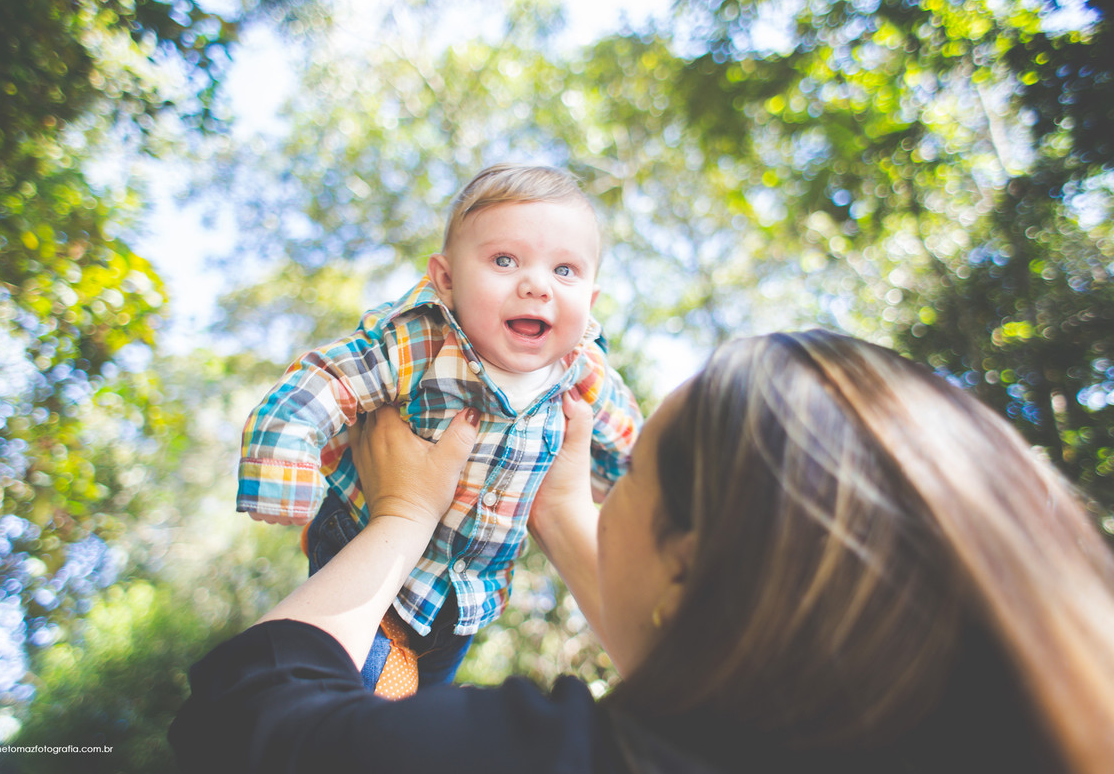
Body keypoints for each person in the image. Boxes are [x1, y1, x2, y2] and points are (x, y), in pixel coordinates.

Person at [172, 330, 1114, 773]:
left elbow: (239, 730)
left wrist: (403, 517)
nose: (600, 507)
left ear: (690, 563)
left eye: (630, 486)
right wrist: (567, 515)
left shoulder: (563, 760)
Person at [235, 163, 641, 695]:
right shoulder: (420, 342)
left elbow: (627, 437)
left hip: (466, 597)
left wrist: (622, 494)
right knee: (350, 704)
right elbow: (325, 381)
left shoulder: (581, 372)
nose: (536, 285)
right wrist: (282, 462)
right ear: (446, 280)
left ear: (589, 301)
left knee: (416, 712)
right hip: (366, 546)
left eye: (565, 270)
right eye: (504, 260)